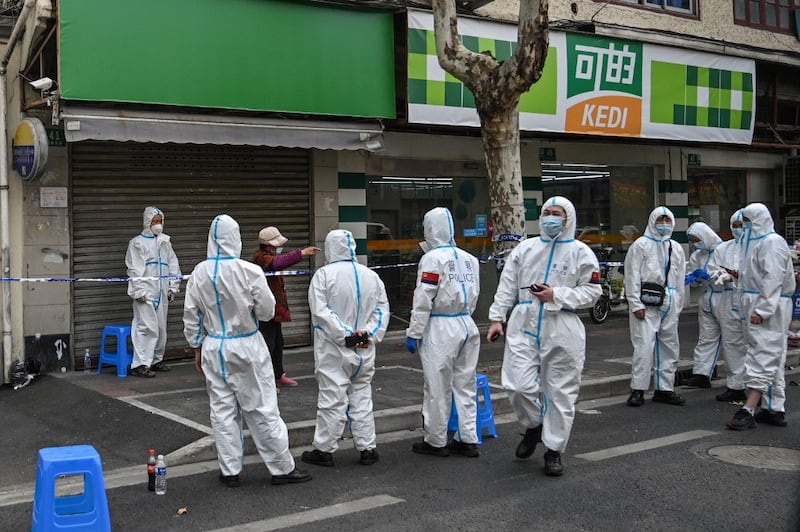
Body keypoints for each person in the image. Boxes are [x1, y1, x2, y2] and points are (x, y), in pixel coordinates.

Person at [183, 214, 311, 486]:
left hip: (214, 346)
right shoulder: (249, 271)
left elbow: (191, 315)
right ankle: (281, 468)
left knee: (222, 411)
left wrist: (196, 346)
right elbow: (266, 311)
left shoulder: (199, 272)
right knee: (262, 407)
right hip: (247, 344)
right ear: (236, 238)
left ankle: (229, 471)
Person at [486, 196, 602, 476]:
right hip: (524, 321)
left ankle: (554, 450)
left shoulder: (580, 252)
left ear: (568, 218)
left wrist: (556, 295)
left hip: (562, 324)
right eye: (546, 213)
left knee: (561, 391)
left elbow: (592, 292)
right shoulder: (525, 249)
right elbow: (507, 285)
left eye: (557, 213)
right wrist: (497, 318)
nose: (551, 218)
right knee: (516, 384)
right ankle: (533, 425)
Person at [301, 229, 390, 468]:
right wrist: (368, 334)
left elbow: (321, 313)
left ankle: (324, 449)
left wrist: (346, 336)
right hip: (365, 349)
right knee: (362, 397)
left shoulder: (323, 276)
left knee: (332, 399)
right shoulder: (371, 276)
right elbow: (382, 310)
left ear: (330, 248)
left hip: (334, 349)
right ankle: (367, 448)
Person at [406, 207, 481, 459]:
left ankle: (436, 440)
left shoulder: (431, 259)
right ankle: (468, 438)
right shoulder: (469, 258)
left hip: (440, 327)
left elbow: (423, 298)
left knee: (437, 386)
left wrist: (414, 331)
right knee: (465, 384)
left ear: (430, 229)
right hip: (467, 324)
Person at [727, 203, 794, 430]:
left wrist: (763, 309)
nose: (744, 225)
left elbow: (773, 278)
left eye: (747, 220)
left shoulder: (772, 242)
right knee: (772, 353)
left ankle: (748, 408)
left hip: (768, 304)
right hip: (757, 301)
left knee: (763, 353)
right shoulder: (753, 242)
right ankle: (774, 408)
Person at [624, 206, 687, 407]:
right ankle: (638, 389)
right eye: (660, 220)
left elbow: (679, 278)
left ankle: (665, 388)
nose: (664, 224)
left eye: (667, 220)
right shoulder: (640, 245)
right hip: (646, 301)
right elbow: (632, 275)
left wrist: (678, 305)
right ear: (652, 221)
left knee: (669, 346)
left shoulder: (675, 247)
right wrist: (635, 303)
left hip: (670, 301)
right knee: (643, 346)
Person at [251, 226, 320, 390]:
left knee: (277, 342)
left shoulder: (269, 255)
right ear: (267, 245)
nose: (277, 247)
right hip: (264, 309)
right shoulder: (260, 257)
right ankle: (265, 380)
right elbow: (277, 263)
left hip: (274, 309)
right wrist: (301, 254)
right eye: (275, 245)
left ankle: (278, 374)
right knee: (267, 345)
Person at [126, 206, 181, 378]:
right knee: (145, 328)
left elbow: (173, 264)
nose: (158, 225)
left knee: (160, 328)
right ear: (147, 222)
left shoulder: (164, 241)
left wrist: (173, 286)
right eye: (155, 221)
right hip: (146, 293)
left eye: (160, 221)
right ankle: (140, 364)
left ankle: (156, 360)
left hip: (162, 292)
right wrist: (139, 290)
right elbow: (134, 268)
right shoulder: (137, 243)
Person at [706, 211, 747, 402]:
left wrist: (740, 276)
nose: (739, 229)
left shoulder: (758, 247)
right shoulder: (724, 248)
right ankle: (735, 385)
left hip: (751, 300)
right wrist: (721, 276)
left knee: (755, 344)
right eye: (735, 225)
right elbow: (712, 269)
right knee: (731, 343)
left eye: (742, 224)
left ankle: (759, 386)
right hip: (728, 298)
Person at [681, 221, 723, 388]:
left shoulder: (725, 250)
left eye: (696, 239)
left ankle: (738, 383)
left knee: (732, 341)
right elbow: (695, 281)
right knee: (706, 338)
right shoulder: (697, 256)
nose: (695, 243)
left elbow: (730, 273)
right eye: (692, 240)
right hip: (707, 298)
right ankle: (701, 374)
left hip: (726, 297)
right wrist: (694, 278)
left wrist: (710, 275)